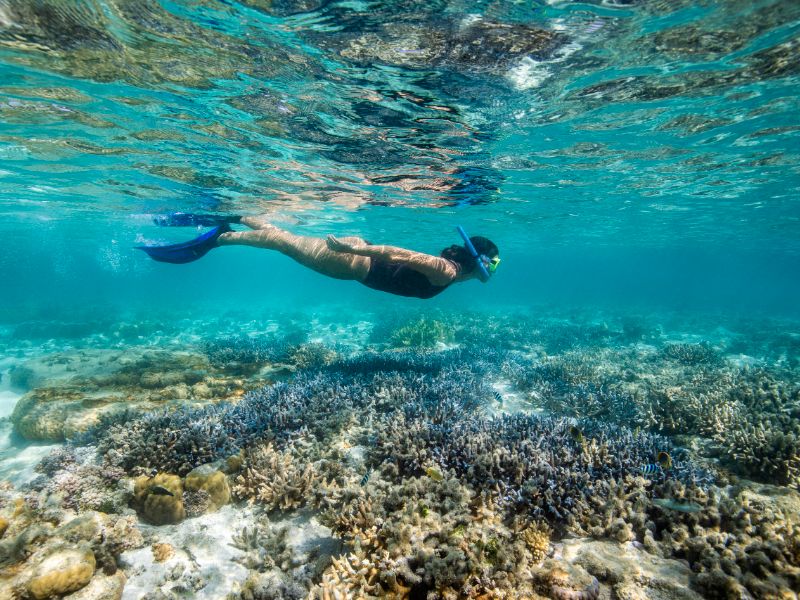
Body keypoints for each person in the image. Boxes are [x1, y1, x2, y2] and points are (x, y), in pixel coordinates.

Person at [138, 214, 500, 299]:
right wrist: (354, 249)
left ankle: (234, 213)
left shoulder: (453, 272)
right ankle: (220, 237)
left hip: (357, 259)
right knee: (281, 242)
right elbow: (396, 253)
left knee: (284, 238)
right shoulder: (447, 272)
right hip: (352, 261)